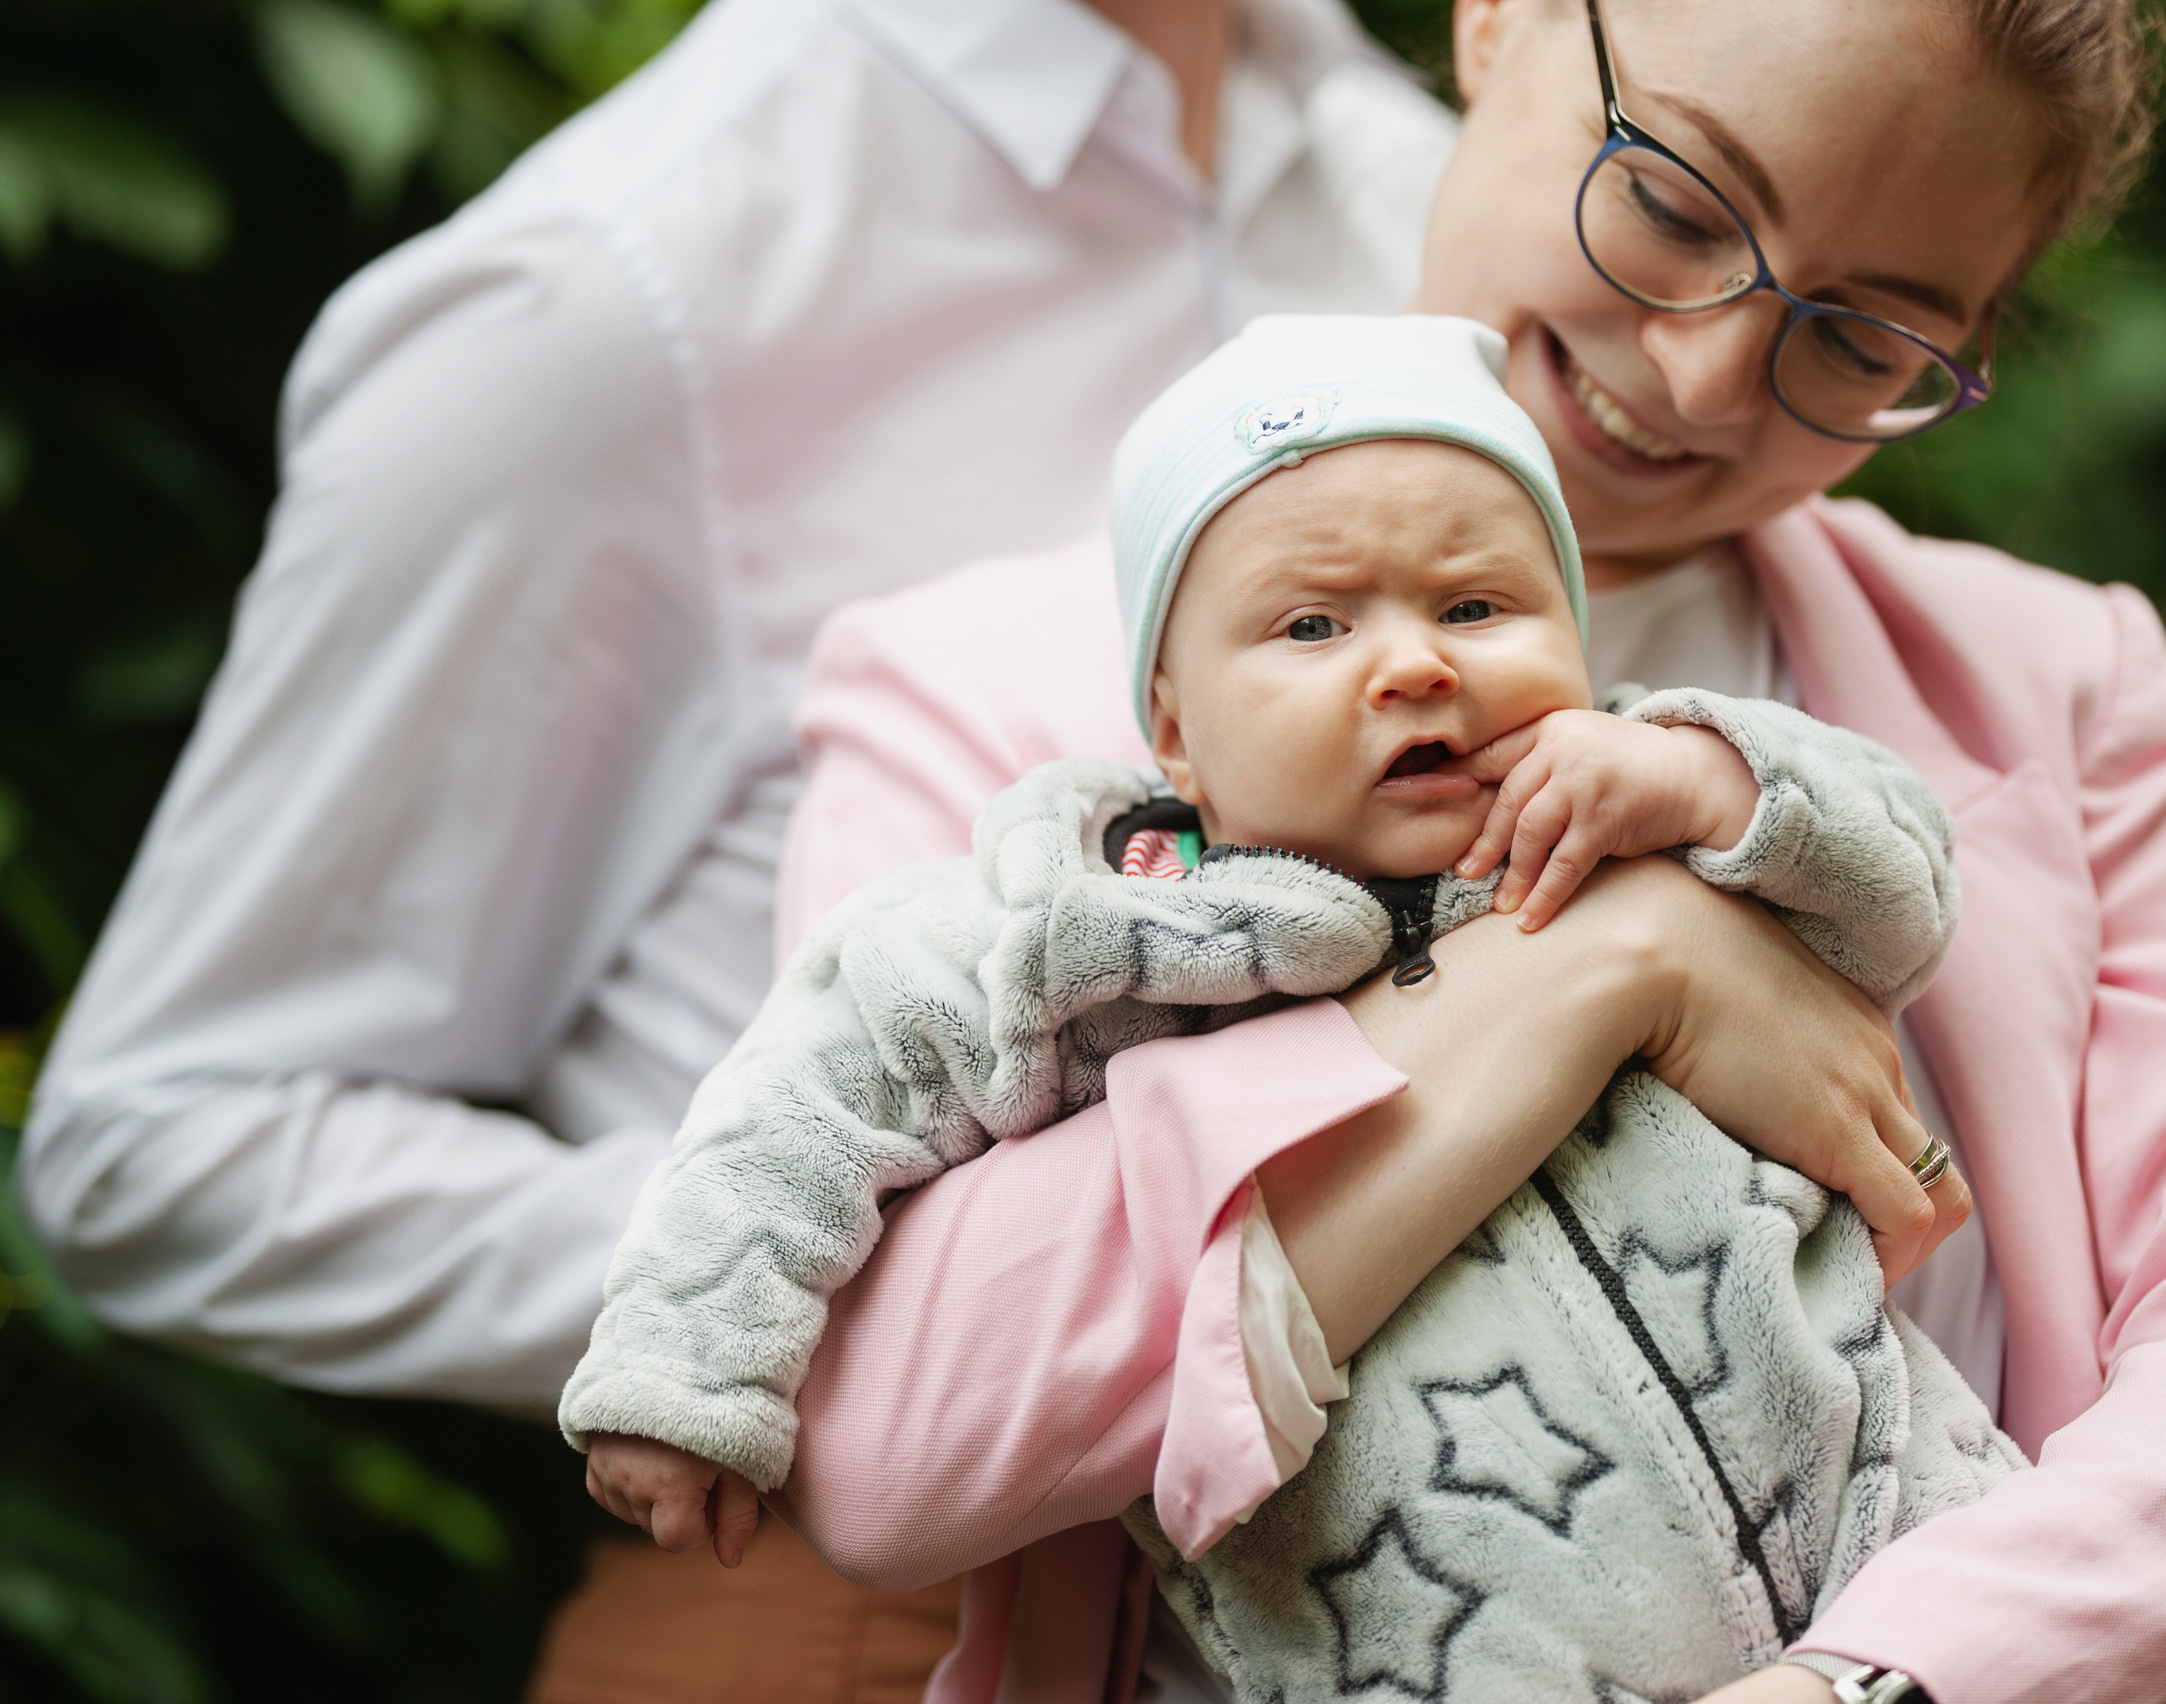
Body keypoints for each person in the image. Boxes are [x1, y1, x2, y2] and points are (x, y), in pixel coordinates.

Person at [757, 2, 2166, 1702]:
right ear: (1495, 23)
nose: (1704, 373)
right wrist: (1608, 968)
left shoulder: (2063, 683)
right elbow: (893, 1442)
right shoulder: (978, 693)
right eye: (1671, 202)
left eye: (1865, 340)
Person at [16, 0, 1464, 1692]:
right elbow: (159, 1146)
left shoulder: (1410, 167)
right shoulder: (615, 301)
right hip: (865, 1618)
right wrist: (834, 1272)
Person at [562, 316, 1975, 1615]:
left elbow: (1908, 897)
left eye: (1479, 608)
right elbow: (805, 1098)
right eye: (1314, 626)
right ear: (1173, 730)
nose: (1415, 665)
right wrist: (685, 1371)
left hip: (1886, 1515)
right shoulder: (1099, 937)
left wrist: (1713, 782)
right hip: (1427, 1619)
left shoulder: (1624, 808)